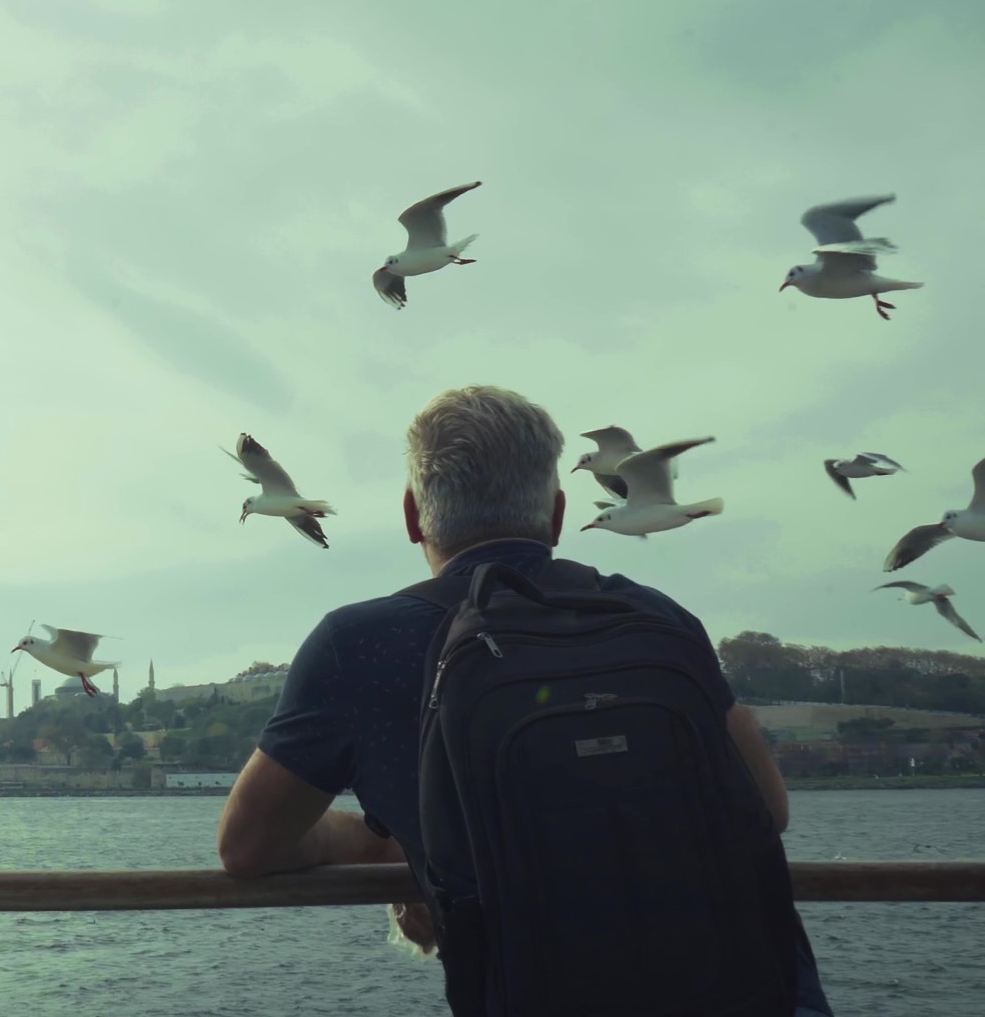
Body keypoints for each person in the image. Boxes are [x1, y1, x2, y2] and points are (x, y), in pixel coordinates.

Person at [216, 384, 831, 1017]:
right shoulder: (656, 618)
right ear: (558, 514)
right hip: (760, 996)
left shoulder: (358, 644)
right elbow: (768, 808)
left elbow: (248, 847)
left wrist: (381, 845)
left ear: (412, 516)